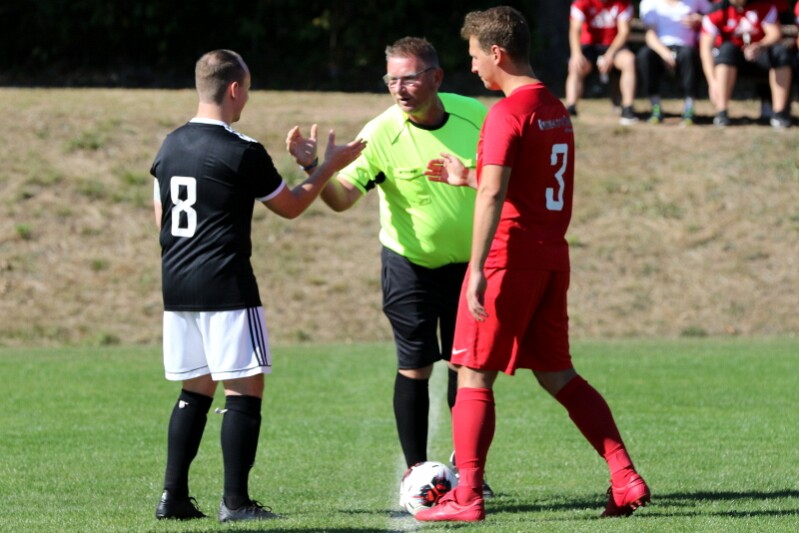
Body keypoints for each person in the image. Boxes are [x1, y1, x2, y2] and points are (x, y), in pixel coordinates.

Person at [414, 6, 650, 522]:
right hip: (549, 258)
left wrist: (477, 268)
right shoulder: (553, 106)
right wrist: (467, 176)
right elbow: (525, 182)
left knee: (473, 374)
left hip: (508, 258)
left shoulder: (506, 113)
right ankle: (624, 476)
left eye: (475, 56)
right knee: (558, 374)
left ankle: (467, 495)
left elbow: (496, 194)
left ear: (497, 53)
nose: (472, 66)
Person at [150, 49, 365, 523]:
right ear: (234, 89)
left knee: (194, 389)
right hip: (226, 285)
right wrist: (327, 166)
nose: (247, 97)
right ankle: (236, 502)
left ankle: (173, 496)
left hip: (178, 286)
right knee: (244, 389)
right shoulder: (241, 149)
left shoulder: (170, 145)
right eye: (247, 89)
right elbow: (290, 206)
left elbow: (161, 217)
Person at [285, 37, 492, 496]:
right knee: (415, 367)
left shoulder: (476, 116)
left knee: (467, 368)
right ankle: (416, 474)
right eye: (391, 80)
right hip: (408, 266)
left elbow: (503, 180)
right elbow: (341, 199)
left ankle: (470, 472)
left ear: (436, 78)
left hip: (471, 268)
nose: (399, 89)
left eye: (409, 78)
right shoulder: (380, 132)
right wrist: (315, 167)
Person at [699, 0, 793, 128]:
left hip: (760, 54)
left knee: (780, 53)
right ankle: (721, 112)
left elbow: (774, 34)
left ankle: (779, 113)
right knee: (726, 50)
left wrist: (760, 45)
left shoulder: (763, 6)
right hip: (730, 59)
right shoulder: (717, 10)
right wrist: (712, 82)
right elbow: (705, 48)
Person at [637, 0, 713, 125]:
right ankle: (655, 107)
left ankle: (689, 108)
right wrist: (665, 53)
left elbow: (713, 14)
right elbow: (650, 36)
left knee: (689, 55)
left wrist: (700, 20)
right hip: (659, 48)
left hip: (685, 48)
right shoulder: (649, 3)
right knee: (645, 56)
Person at [565, 0, 639, 124]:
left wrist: (610, 54)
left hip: (614, 46)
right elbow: (574, 30)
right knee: (575, 65)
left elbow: (624, 32)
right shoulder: (582, 2)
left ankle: (628, 108)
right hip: (589, 46)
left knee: (629, 60)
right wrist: (576, 54)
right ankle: (571, 107)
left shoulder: (622, 3)